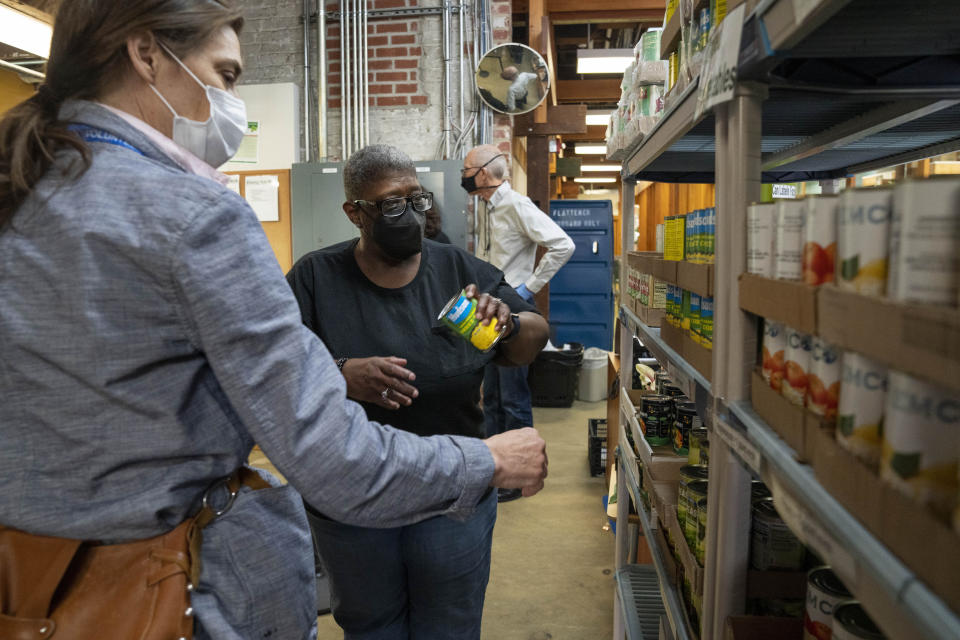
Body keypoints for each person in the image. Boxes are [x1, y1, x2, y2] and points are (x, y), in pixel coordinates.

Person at [0, 3, 547, 639]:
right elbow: (335, 460)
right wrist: (486, 462)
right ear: (145, 53)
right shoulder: (196, 216)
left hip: (32, 587)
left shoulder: (22, 192)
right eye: (226, 75)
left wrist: (506, 326)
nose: (232, 102)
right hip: (165, 587)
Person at [286, 144, 550, 639]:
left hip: (453, 493)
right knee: (371, 623)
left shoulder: (457, 271)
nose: (408, 214)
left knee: (448, 622)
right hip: (355, 495)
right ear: (355, 213)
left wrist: (510, 323)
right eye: (389, 204)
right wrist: (340, 373)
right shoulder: (315, 278)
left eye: (416, 199)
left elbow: (530, 341)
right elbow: (279, 370)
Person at [462, 144, 575, 501]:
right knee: (491, 395)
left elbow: (563, 244)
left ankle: (521, 476)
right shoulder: (486, 206)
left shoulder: (516, 205)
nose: (462, 176)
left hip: (511, 311)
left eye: (466, 170)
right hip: (486, 314)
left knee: (513, 396)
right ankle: (497, 468)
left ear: (482, 174)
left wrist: (528, 288)